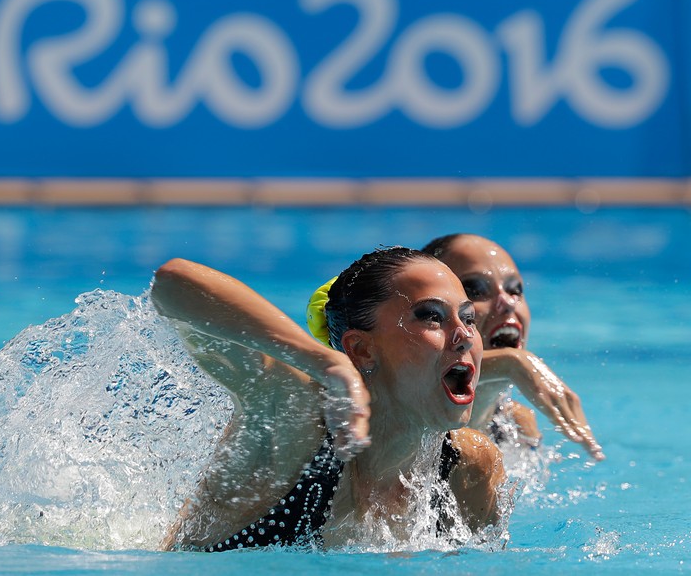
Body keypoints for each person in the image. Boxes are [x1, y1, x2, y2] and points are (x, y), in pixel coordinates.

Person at [152, 247, 506, 551]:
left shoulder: (469, 465)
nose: (463, 336)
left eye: (469, 317)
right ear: (361, 349)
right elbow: (173, 282)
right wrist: (322, 360)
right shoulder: (299, 427)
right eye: (432, 316)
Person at [422, 234, 603, 461]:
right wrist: (509, 363)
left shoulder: (516, 426)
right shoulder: (391, 415)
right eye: (475, 291)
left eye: (514, 290)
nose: (507, 302)